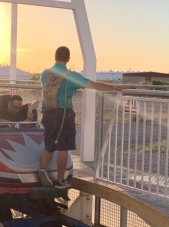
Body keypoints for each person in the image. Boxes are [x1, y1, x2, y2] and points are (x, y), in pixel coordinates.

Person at [39, 46, 124, 189]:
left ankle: (43, 169)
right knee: (62, 147)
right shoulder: (70, 76)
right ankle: (60, 181)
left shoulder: (44, 73)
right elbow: (93, 85)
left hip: (47, 113)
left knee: (49, 145)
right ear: (68, 59)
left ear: (55, 57)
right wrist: (113, 87)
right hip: (63, 114)